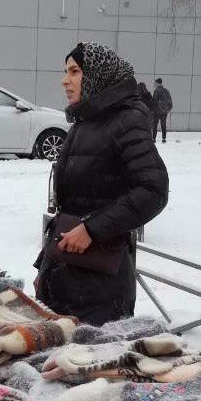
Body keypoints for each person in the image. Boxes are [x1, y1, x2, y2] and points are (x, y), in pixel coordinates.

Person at [34, 43, 169, 325]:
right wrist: (45, 266)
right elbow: (71, 206)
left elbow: (153, 189)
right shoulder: (85, 120)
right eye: (65, 71)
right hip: (65, 274)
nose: (65, 80)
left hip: (99, 288)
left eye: (74, 71)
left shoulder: (125, 121)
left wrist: (92, 230)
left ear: (97, 75)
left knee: (86, 364)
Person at [151, 77, 173, 143]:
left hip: (157, 111)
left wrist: (152, 110)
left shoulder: (156, 91)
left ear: (157, 83)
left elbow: (154, 101)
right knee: (163, 125)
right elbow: (170, 101)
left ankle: (154, 138)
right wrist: (167, 109)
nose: (154, 84)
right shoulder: (166, 90)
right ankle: (164, 138)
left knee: (155, 125)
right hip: (164, 111)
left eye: (155, 83)